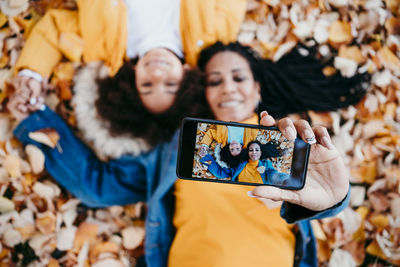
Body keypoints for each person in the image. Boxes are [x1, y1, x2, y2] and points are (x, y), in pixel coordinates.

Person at [11, 41, 351, 267]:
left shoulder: (284, 144)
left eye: (238, 77)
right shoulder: (179, 147)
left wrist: (334, 200)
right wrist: (34, 117)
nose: (228, 87)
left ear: (256, 88)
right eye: (215, 81)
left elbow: (316, 202)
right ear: (201, 90)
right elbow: (98, 186)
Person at [7, 0, 247, 149]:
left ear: (132, 76)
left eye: (147, 84)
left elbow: (55, 29)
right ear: (187, 73)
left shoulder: (99, 46)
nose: (156, 71)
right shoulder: (217, 34)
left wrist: (33, 73)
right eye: (171, 83)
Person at [200, 140, 287, 184]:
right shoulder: (238, 165)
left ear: (261, 152)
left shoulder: (265, 164)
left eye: (257, 150)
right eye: (251, 150)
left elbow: (272, 174)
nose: (254, 152)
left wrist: (282, 180)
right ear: (247, 152)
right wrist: (208, 159)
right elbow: (220, 173)